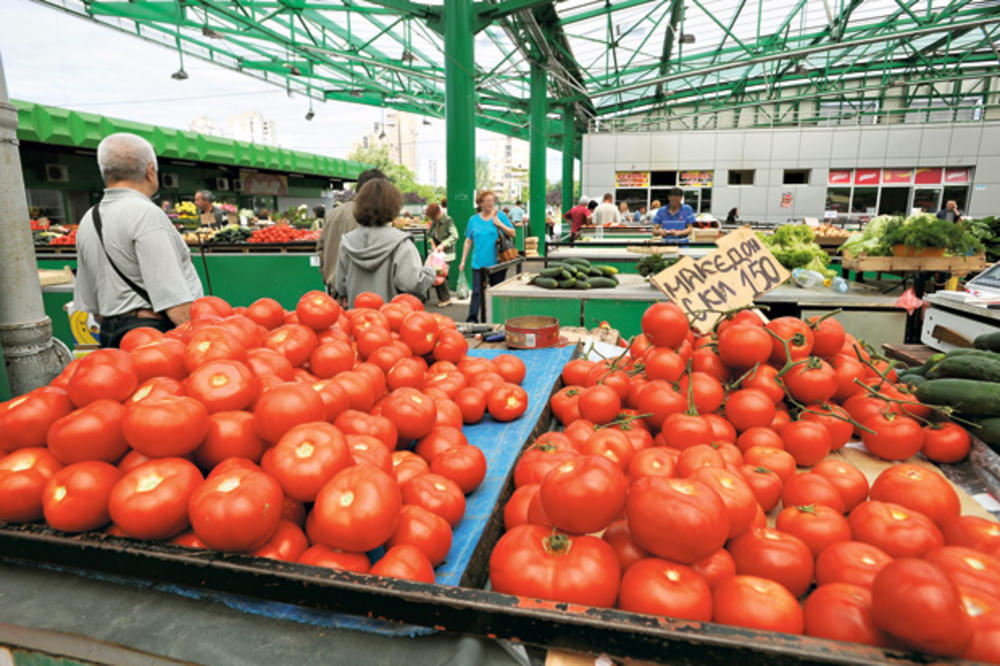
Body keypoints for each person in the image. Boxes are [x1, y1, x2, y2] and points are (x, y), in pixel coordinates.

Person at [74, 133, 203, 348]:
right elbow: (176, 304)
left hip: (109, 334)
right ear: (150, 171)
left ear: (105, 173)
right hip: (151, 337)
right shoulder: (146, 214)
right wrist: (203, 341)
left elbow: (91, 307)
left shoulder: (89, 218)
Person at [335, 179, 434, 306]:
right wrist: (430, 272)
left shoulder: (347, 242)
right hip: (391, 320)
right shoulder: (401, 243)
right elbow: (412, 284)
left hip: (357, 320)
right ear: (394, 206)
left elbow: (341, 287)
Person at [317, 168, 387, 295]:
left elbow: (321, 249)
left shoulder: (332, 214)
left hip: (334, 289)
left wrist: (329, 275)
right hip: (362, 293)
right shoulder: (371, 215)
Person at [458, 190, 515, 323]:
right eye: (487, 201)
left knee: (496, 293)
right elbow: (468, 241)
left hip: (498, 263)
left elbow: (513, 233)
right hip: (478, 263)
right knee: (477, 293)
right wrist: (463, 261)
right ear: (480, 203)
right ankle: (472, 320)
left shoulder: (500, 215)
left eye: (492, 200)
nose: (490, 203)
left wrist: (499, 224)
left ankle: (497, 320)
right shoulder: (473, 220)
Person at [426, 202, 458, 307]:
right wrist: (432, 243)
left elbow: (455, 236)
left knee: (441, 274)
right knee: (436, 274)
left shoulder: (448, 220)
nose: (434, 219)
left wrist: (443, 245)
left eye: (435, 217)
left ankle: (446, 299)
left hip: (446, 253)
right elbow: (429, 234)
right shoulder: (435, 222)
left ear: (439, 212)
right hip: (438, 253)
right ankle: (442, 298)